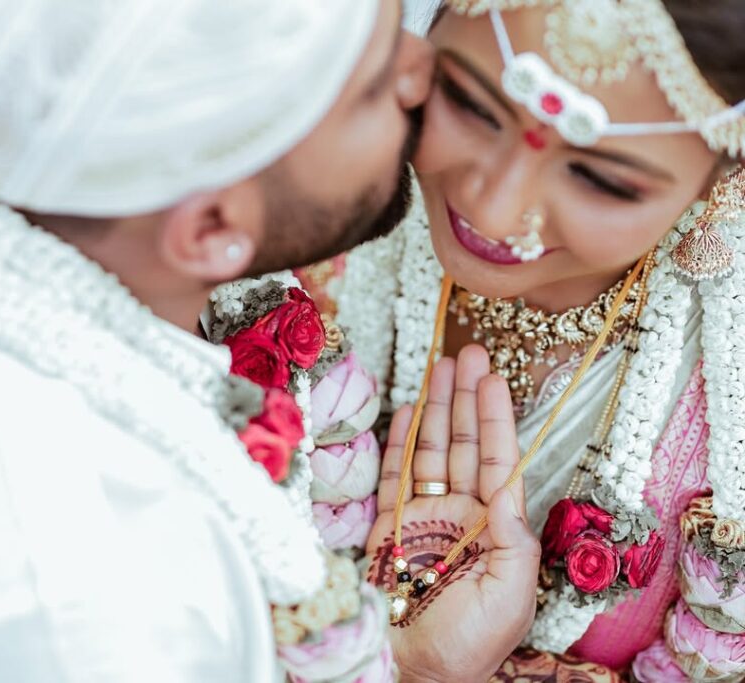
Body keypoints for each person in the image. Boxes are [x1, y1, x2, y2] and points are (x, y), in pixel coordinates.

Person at [0, 1, 542, 681]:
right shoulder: (71, 610)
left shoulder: (1, 203)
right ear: (210, 229)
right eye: (371, 87)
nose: (424, 72)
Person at [300, 0, 745, 679]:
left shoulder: (728, 393)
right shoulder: (286, 204)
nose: (494, 207)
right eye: (472, 105)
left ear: (725, 178)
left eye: (600, 178)